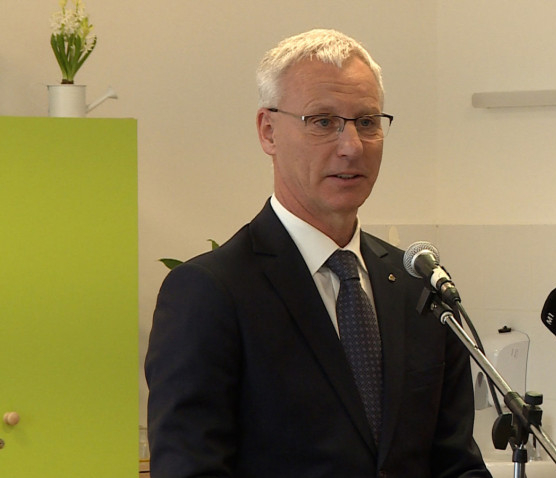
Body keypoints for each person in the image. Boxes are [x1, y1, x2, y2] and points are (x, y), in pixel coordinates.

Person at [145, 29, 492, 478]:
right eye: (323, 122)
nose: (351, 146)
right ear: (268, 131)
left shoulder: (419, 288)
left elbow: (456, 463)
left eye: (367, 122)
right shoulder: (211, 292)